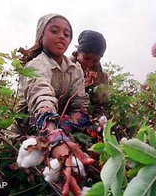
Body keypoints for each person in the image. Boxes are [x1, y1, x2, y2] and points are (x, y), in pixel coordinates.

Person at [18, 13, 94, 196]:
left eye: (66, 34)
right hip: (29, 127)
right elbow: (41, 96)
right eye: (54, 31)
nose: (62, 36)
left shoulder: (74, 70)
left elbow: (81, 107)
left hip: (59, 125)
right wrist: (54, 136)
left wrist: (62, 127)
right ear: (41, 36)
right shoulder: (35, 65)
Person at [71, 30, 109, 139]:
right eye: (86, 58)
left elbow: (101, 106)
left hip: (88, 122)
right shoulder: (66, 69)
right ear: (78, 52)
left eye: (95, 60)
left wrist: (100, 119)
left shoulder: (101, 77)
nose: (89, 64)